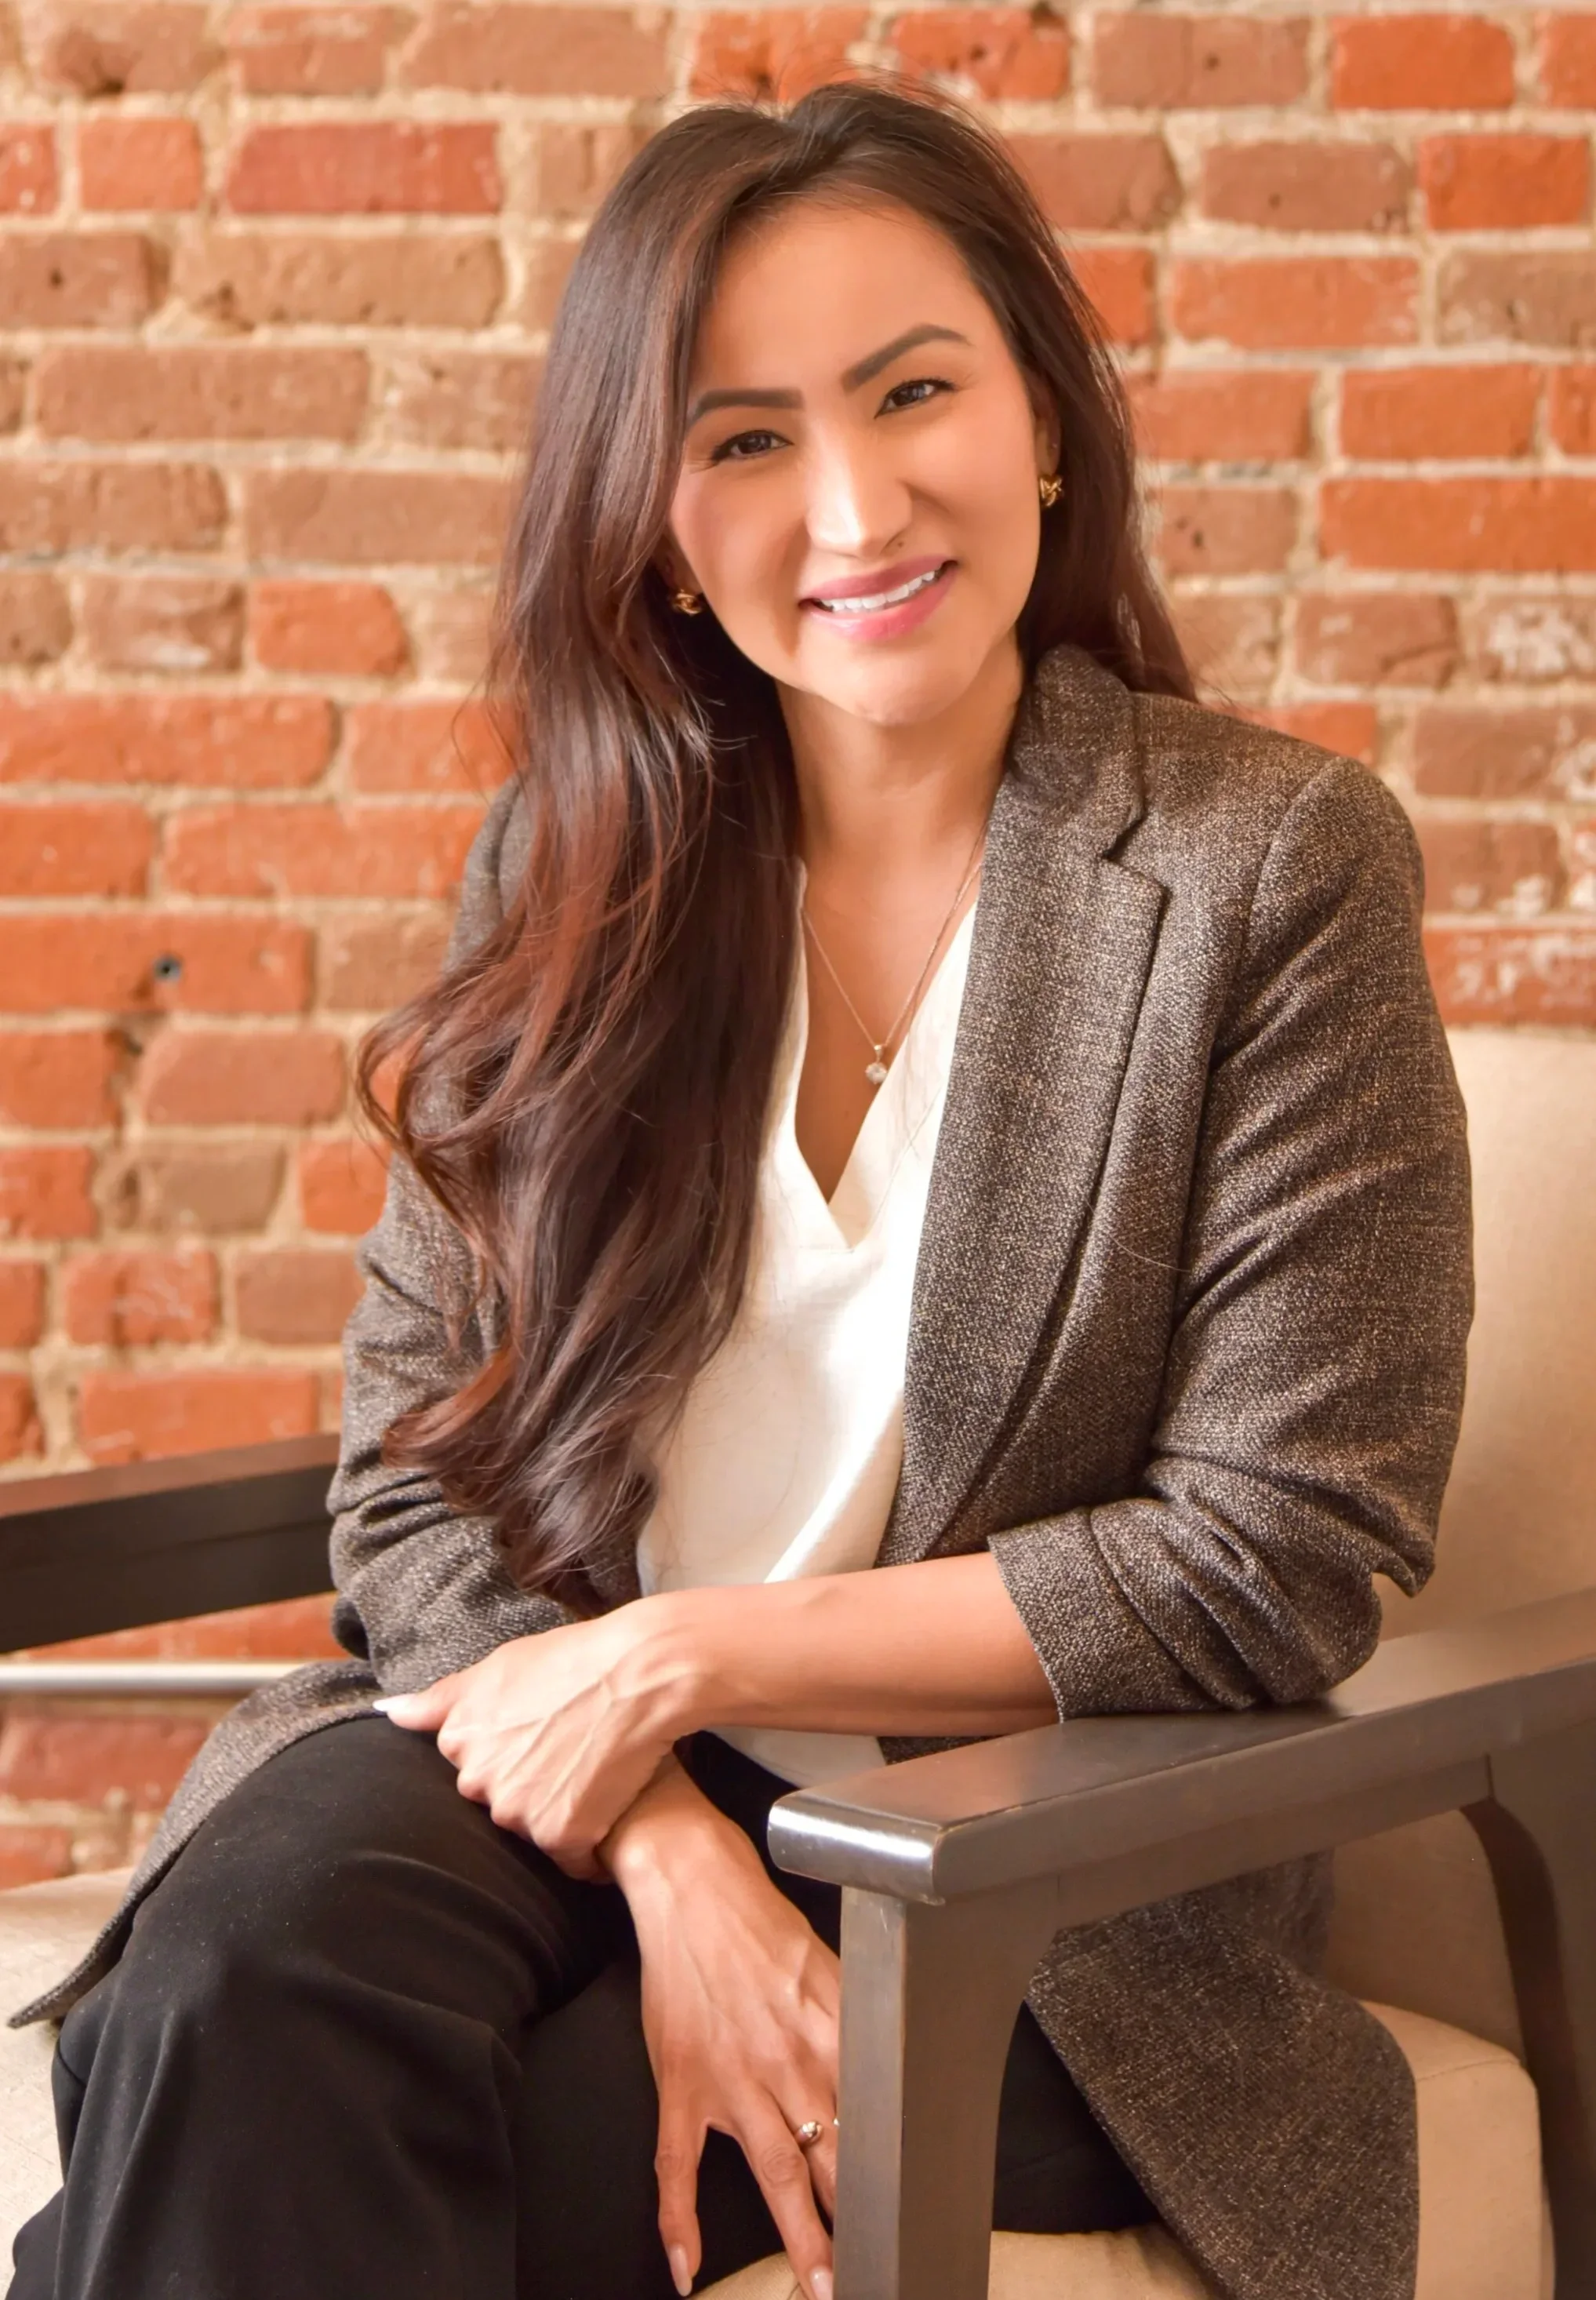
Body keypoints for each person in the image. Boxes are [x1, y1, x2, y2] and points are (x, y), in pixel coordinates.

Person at [9, 80, 1471, 2300]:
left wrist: (684, 1656)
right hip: (565, 1791)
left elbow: (1273, 1560)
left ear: (1047, 421)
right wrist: (663, 1823)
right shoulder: (580, 865)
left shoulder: (1267, 869)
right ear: (660, 517)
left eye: (914, 393)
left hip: (1023, 1881)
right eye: (750, 437)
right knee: (232, 1972)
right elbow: (419, 1475)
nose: (858, 502)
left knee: (329, 2134)